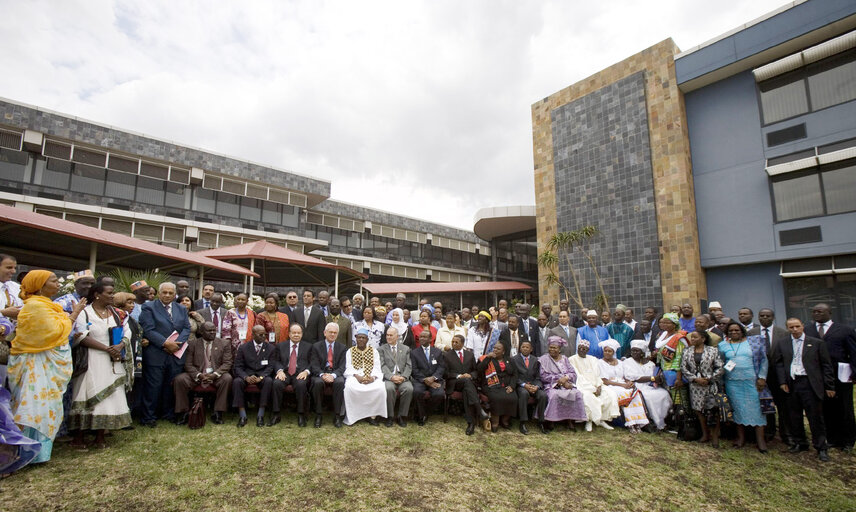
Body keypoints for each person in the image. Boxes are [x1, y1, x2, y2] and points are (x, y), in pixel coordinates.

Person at [7, 270, 80, 463]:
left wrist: (71, 315)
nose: (58, 285)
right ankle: (28, 453)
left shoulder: (48, 306)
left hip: (46, 365)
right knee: (34, 407)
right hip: (34, 366)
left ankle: (40, 453)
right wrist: (73, 315)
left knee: (48, 406)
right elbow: (52, 333)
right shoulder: (36, 307)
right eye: (54, 281)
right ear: (40, 286)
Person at [68, 281, 132, 448]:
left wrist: (120, 345)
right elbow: (80, 336)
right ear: (97, 294)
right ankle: (79, 438)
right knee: (86, 394)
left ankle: (100, 436)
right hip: (92, 359)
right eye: (109, 293)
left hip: (113, 359)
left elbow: (127, 331)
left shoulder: (117, 313)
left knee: (109, 398)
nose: (112, 296)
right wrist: (106, 348)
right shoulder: (85, 312)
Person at [774, 318, 836, 462]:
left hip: (810, 383)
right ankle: (800, 443)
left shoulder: (816, 343)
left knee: (815, 417)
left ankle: (821, 447)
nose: (794, 329)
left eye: (797, 326)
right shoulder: (782, 343)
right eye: (791, 327)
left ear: (802, 326)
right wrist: (782, 381)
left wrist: (829, 386)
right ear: (787, 328)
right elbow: (779, 364)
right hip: (792, 383)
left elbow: (826, 365)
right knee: (794, 416)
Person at [804, 303, 856, 453]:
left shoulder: (845, 330)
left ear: (829, 312)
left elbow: (853, 352)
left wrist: (855, 372)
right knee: (826, 408)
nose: (816, 314)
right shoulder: (808, 330)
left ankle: (848, 440)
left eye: (820, 311)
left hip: (840, 375)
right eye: (814, 312)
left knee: (844, 408)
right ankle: (832, 438)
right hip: (818, 376)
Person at [139, 282, 190, 427]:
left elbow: (186, 328)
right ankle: (148, 417)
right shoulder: (149, 307)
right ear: (159, 293)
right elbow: (148, 329)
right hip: (156, 352)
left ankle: (168, 414)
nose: (167, 295)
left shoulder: (181, 308)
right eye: (164, 292)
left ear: (175, 295)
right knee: (153, 386)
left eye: (170, 293)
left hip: (175, 353)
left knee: (171, 385)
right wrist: (165, 343)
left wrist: (176, 344)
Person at [719, 321, 768, 452]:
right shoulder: (722, 345)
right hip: (732, 382)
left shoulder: (754, 342)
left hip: (752, 381)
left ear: (742, 331)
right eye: (731, 331)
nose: (734, 332)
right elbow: (720, 363)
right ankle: (740, 438)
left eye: (737, 330)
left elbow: (763, 360)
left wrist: (762, 377)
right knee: (737, 409)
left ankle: (760, 441)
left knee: (757, 409)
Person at [173, 321, 233, 425]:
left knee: (227, 378)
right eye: (209, 331)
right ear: (201, 332)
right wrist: (199, 375)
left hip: (216, 375)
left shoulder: (224, 343)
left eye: (214, 330)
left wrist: (215, 375)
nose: (212, 333)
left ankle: (218, 412)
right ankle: (184, 413)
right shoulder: (193, 344)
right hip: (197, 374)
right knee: (180, 379)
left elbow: (227, 363)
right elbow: (188, 364)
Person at [748, 308, 790, 442]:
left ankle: (785, 433)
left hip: (778, 375)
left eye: (768, 316)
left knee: (782, 404)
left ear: (773, 317)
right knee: (765, 403)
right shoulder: (751, 333)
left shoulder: (783, 333)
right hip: (759, 375)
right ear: (758, 318)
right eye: (762, 316)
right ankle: (769, 430)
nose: (765, 318)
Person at [681, 330, 725, 447]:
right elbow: (684, 368)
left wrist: (709, 378)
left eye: (695, 337)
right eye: (692, 337)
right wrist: (695, 379)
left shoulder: (713, 351)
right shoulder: (687, 351)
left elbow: (720, 367)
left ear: (703, 339)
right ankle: (705, 434)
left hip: (710, 384)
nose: (692, 339)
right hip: (695, 386)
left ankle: (715, 436)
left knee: (713, 410)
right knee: (699, 411)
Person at [598, 339, 648, 433]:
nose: (607, 353)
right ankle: (630, 423)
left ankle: (638, 422)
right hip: (611, 386)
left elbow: (626, 377)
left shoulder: (620, 363)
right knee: (625, 393)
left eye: (610, 351)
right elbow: (605, 381)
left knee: (635, 393)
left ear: (614, 352)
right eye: (605, 351)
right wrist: (623, 385)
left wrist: (629, 382)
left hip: (622, 384)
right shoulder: (600, 363)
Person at [443, 334, 489, 435]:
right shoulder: (446, 355)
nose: (454, 344)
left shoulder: (469, 355)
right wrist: (459, 376)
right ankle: (479, 409)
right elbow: (445, 373)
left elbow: (475, 371)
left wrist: (470, 375)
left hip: (468, 384)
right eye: (453, 342)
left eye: (456, 342)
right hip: (455, 382)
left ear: (463, 344)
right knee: (467, 383)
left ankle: (471, 423)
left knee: (467, 390)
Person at [569, 339, 619, 431]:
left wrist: (599, 386)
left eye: (584, 349)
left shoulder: (593, 359)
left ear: (588, 350)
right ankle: (589, 421)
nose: (581, 350)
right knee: (588, 397)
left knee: (610, 394)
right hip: (582, 386)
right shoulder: (572, 359)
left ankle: (601, 420)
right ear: (577, 348)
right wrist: (592, 388)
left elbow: (597, 374)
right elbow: (578, 376)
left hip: (597, 385)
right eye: (580, 348)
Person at [538, 336, 586, 429]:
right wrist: (561, 381)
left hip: (566, 384)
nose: (552, 349)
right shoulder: (544, 359)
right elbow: (543, 376)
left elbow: (573, 373)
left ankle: (570, 419)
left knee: (576, 394)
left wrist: (566, 378)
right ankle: (552, 420)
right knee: (554, 395)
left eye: (554, 348)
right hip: (551, 385)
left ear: (559, 349)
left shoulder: (564, 359)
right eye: (550, 347)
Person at [622, 341, 672, 431]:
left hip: (650, 386)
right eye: (633, 351)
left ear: (642, 352)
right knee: (648, 397)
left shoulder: (650, 364)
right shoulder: (627, 362)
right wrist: (652, 378)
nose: (634, 353)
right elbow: (633, 378)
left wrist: (657, 379)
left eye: (637, 351)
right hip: (637, 385)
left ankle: (662, 421)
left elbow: (656, 376)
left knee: (664, 394)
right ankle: (650, 421)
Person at [233, 325, 275, 427]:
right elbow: (237, 366)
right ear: (253, 335)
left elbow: (270, 367)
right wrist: (245, 377)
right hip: (247, 375)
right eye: (260, 334)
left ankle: (260, 415)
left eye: (264, 334)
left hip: (262, 376)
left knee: (269, 381)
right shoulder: (243, 348)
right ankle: (242, 415)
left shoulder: (270, 348)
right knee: (237, 382)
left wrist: (261, 377)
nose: (263, 336)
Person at [342, 329, 386, 426]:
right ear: (356, 339)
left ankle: (372, 416)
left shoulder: (374, 351)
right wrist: (358, 377)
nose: (361, 340)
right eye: (359, 337)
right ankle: (353, 416)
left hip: (371, 376)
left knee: (380, 388)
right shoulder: (350, 351)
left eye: (363, 338)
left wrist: (372, 378)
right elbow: (348, 367)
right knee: (349, 387)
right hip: (355, 376)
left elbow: (377, 367)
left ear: (367, 339)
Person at [271, 323, 312, 427]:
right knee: (276, 384)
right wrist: (279, 371)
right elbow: (275, 361)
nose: (296, 335)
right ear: (289, 334)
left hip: (300, 373)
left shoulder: (308, 346)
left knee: (301, 385)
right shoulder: (281, 346)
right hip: (285, 372)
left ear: (302, 334)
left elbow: (313, 362)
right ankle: (276, 414)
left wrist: (306, 371)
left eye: (298, 333)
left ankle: (301, 414)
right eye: (294, 333)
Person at [309, 323, 347, 428]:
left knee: (340, 382)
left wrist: (333, 375)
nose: (332, 334)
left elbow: (342, 367)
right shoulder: (316, 346)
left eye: (335, 333)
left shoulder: (342, 347)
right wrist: (322, 375)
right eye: (330, 332)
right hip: (321, 372)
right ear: (325, 333)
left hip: (335, 373)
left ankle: (337, 415)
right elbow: (314, 365)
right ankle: (318, 414)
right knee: (317, 383)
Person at [476, 340, 518, 433]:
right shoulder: (487, 358)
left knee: (513, 397)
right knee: (497, 398)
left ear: (503, 351)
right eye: (494, 348)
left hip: (506, 386)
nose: (495, 350)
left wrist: (512, 386)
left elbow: (515, 374)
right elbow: (479, 370)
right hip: (490, 385)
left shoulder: (510, 360)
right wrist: (488, 358)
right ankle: (495, 422)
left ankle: (505, 420)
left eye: (498, 349)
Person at [511, 339, 548, 434]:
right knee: (523, 394)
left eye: (527, 347)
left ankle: (541, 421)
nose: (525, 349)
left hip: (533, 385)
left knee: (543, 395)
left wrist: (536, 386)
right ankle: (523, 422)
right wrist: (524, 385)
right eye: (523, 347)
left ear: (531, 349)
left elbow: (538, 376)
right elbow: (514, 376)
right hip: (521, 385)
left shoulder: (535, 360)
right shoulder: (514, 359)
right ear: (520, 348)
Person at [378, 326, 412, 427]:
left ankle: (402, 416)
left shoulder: (405, 349)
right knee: (389, 388)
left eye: (391, 335)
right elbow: (382, 365)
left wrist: (404, 377)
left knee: (409, 389)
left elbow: (409, 365)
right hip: (389, 378)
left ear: (397, 336)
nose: (388, 337)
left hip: (402, 377)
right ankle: (390, 416)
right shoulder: (381, 349)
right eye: (387, 335)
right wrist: (391, 377)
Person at [411, 330, 445, 426]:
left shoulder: (437, 352)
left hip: (435, 380)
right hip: (420, 380)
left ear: (430, 339)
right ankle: (422, 416)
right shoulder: (414, 353)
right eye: (420, 337)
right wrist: (425, 380)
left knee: (439, 394)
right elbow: (414, 369)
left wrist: (433, 378)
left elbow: (441, 367)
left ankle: (425, 412)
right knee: (417, 392)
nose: (421, 338)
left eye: (424, 337)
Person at [654, 313, 688, 395]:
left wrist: (678, 378)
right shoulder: (662, 335)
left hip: (674, 373)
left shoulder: (679, 338)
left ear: (674, 324)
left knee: (677, 399)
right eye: (663, 322)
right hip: (664, 371)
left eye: (667, 323)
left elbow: (679, 358)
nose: (664, 324)